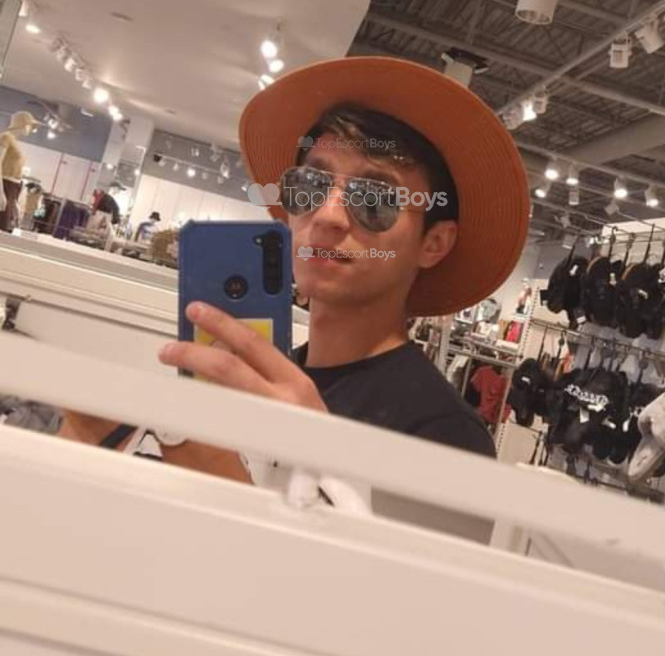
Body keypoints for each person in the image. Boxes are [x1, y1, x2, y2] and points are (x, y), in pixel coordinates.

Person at [158, 56, 530, 473]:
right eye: (310, 185)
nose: (328, 215)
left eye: (374, 200)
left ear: (434, 243)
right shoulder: (268, 379)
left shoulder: (446, 438)